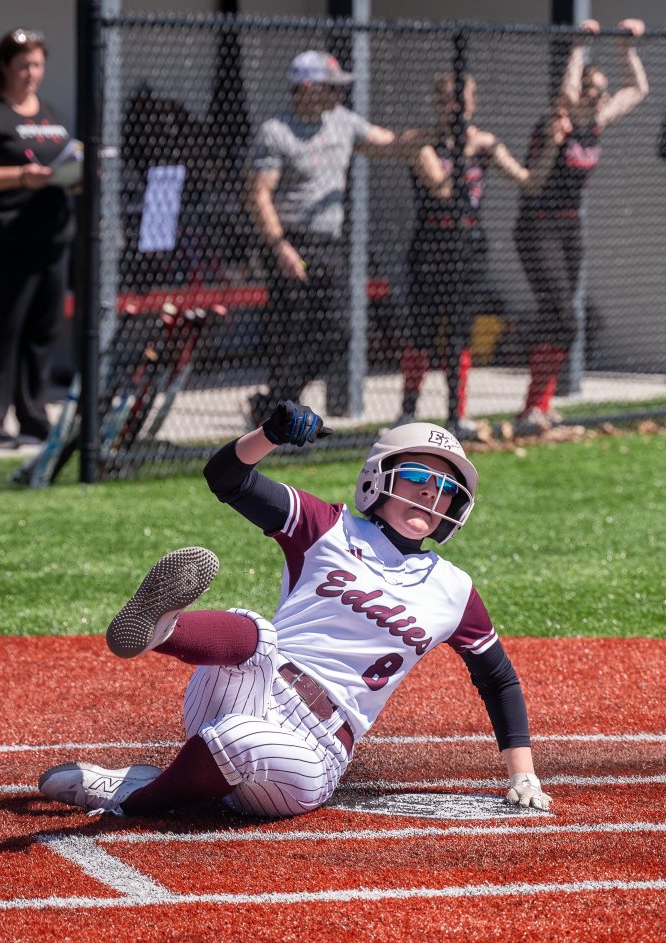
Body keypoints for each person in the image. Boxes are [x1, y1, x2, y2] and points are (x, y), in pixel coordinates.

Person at [40, 401, 552, 819]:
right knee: (259, 634)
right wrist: (270, 433)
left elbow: (499, 679)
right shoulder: (327, 526)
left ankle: (136, 797)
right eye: (418, 474)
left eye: (445, 487)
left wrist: (524, 776)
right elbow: (227, 478)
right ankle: (158, 632)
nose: (430, 491)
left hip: (316, 752)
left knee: (236, 739)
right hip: (251, 691)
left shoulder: (454, 589)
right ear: (379, 478)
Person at [245, 51, 419, 422]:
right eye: (331, 87)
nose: (339, 95)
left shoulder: (343, 121)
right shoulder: (276, 132)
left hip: (328, 245)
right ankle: (278, 419)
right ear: (307, 88)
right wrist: (280, 248)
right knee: (290, 334)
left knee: (340, 329)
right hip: (290, 243)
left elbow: (390, 144)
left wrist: (437, 132)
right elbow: (259, 195)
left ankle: (273, 401)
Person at [394, 73, 568, 441]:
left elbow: (529, 181)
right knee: (422, 328)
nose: (455, 106)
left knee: (461, 331)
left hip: (469, 244)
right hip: (431, 243)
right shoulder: (421, 142)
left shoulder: (486, 144)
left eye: (462, 98)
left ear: (473, 102)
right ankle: (407, 412)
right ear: (437, 103)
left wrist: (552, 147)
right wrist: (463, 149)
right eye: (446, 99)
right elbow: (441, 189)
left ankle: (457, 415)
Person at [513, 19, 648, 434]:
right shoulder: (559, 122)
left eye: (600, 90)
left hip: (570, 230)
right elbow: (568, 94)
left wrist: (625, 47)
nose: (596, 95)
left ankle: (537, 408)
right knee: (565, 318)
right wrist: (578, 46)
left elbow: (637, 90)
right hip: (538, 227)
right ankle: (533, 407)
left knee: (557, 319)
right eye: (590, 88)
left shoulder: (595, 124)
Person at [0, 28, 74, 448]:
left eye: (38, 65)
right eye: (23, 65)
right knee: (1, 329)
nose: (31, 73)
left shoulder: (51, 114)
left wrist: (75, 176)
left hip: (51, 240)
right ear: (3, 66)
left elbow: (60, 163)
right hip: (3, 242)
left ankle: (32, 417)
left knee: (43, 331)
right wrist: (21, 176)